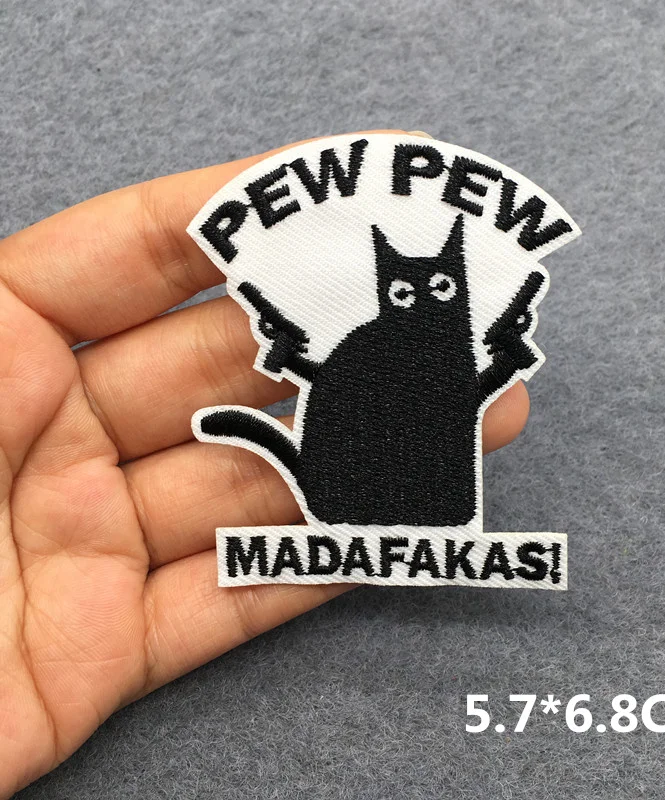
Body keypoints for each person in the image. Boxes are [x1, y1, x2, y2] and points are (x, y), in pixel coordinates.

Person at [0, 130, 530, 796]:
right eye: (402, 293)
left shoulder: (431, 348)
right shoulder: (379, 348)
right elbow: (433, 400)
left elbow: (458, 404)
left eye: (441, 289)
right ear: (384, 285)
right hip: (350, 491)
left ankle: (421, 512)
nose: (422, 304)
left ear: (460, 284)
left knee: (439, 444)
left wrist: (500, 362)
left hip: (391, 495)